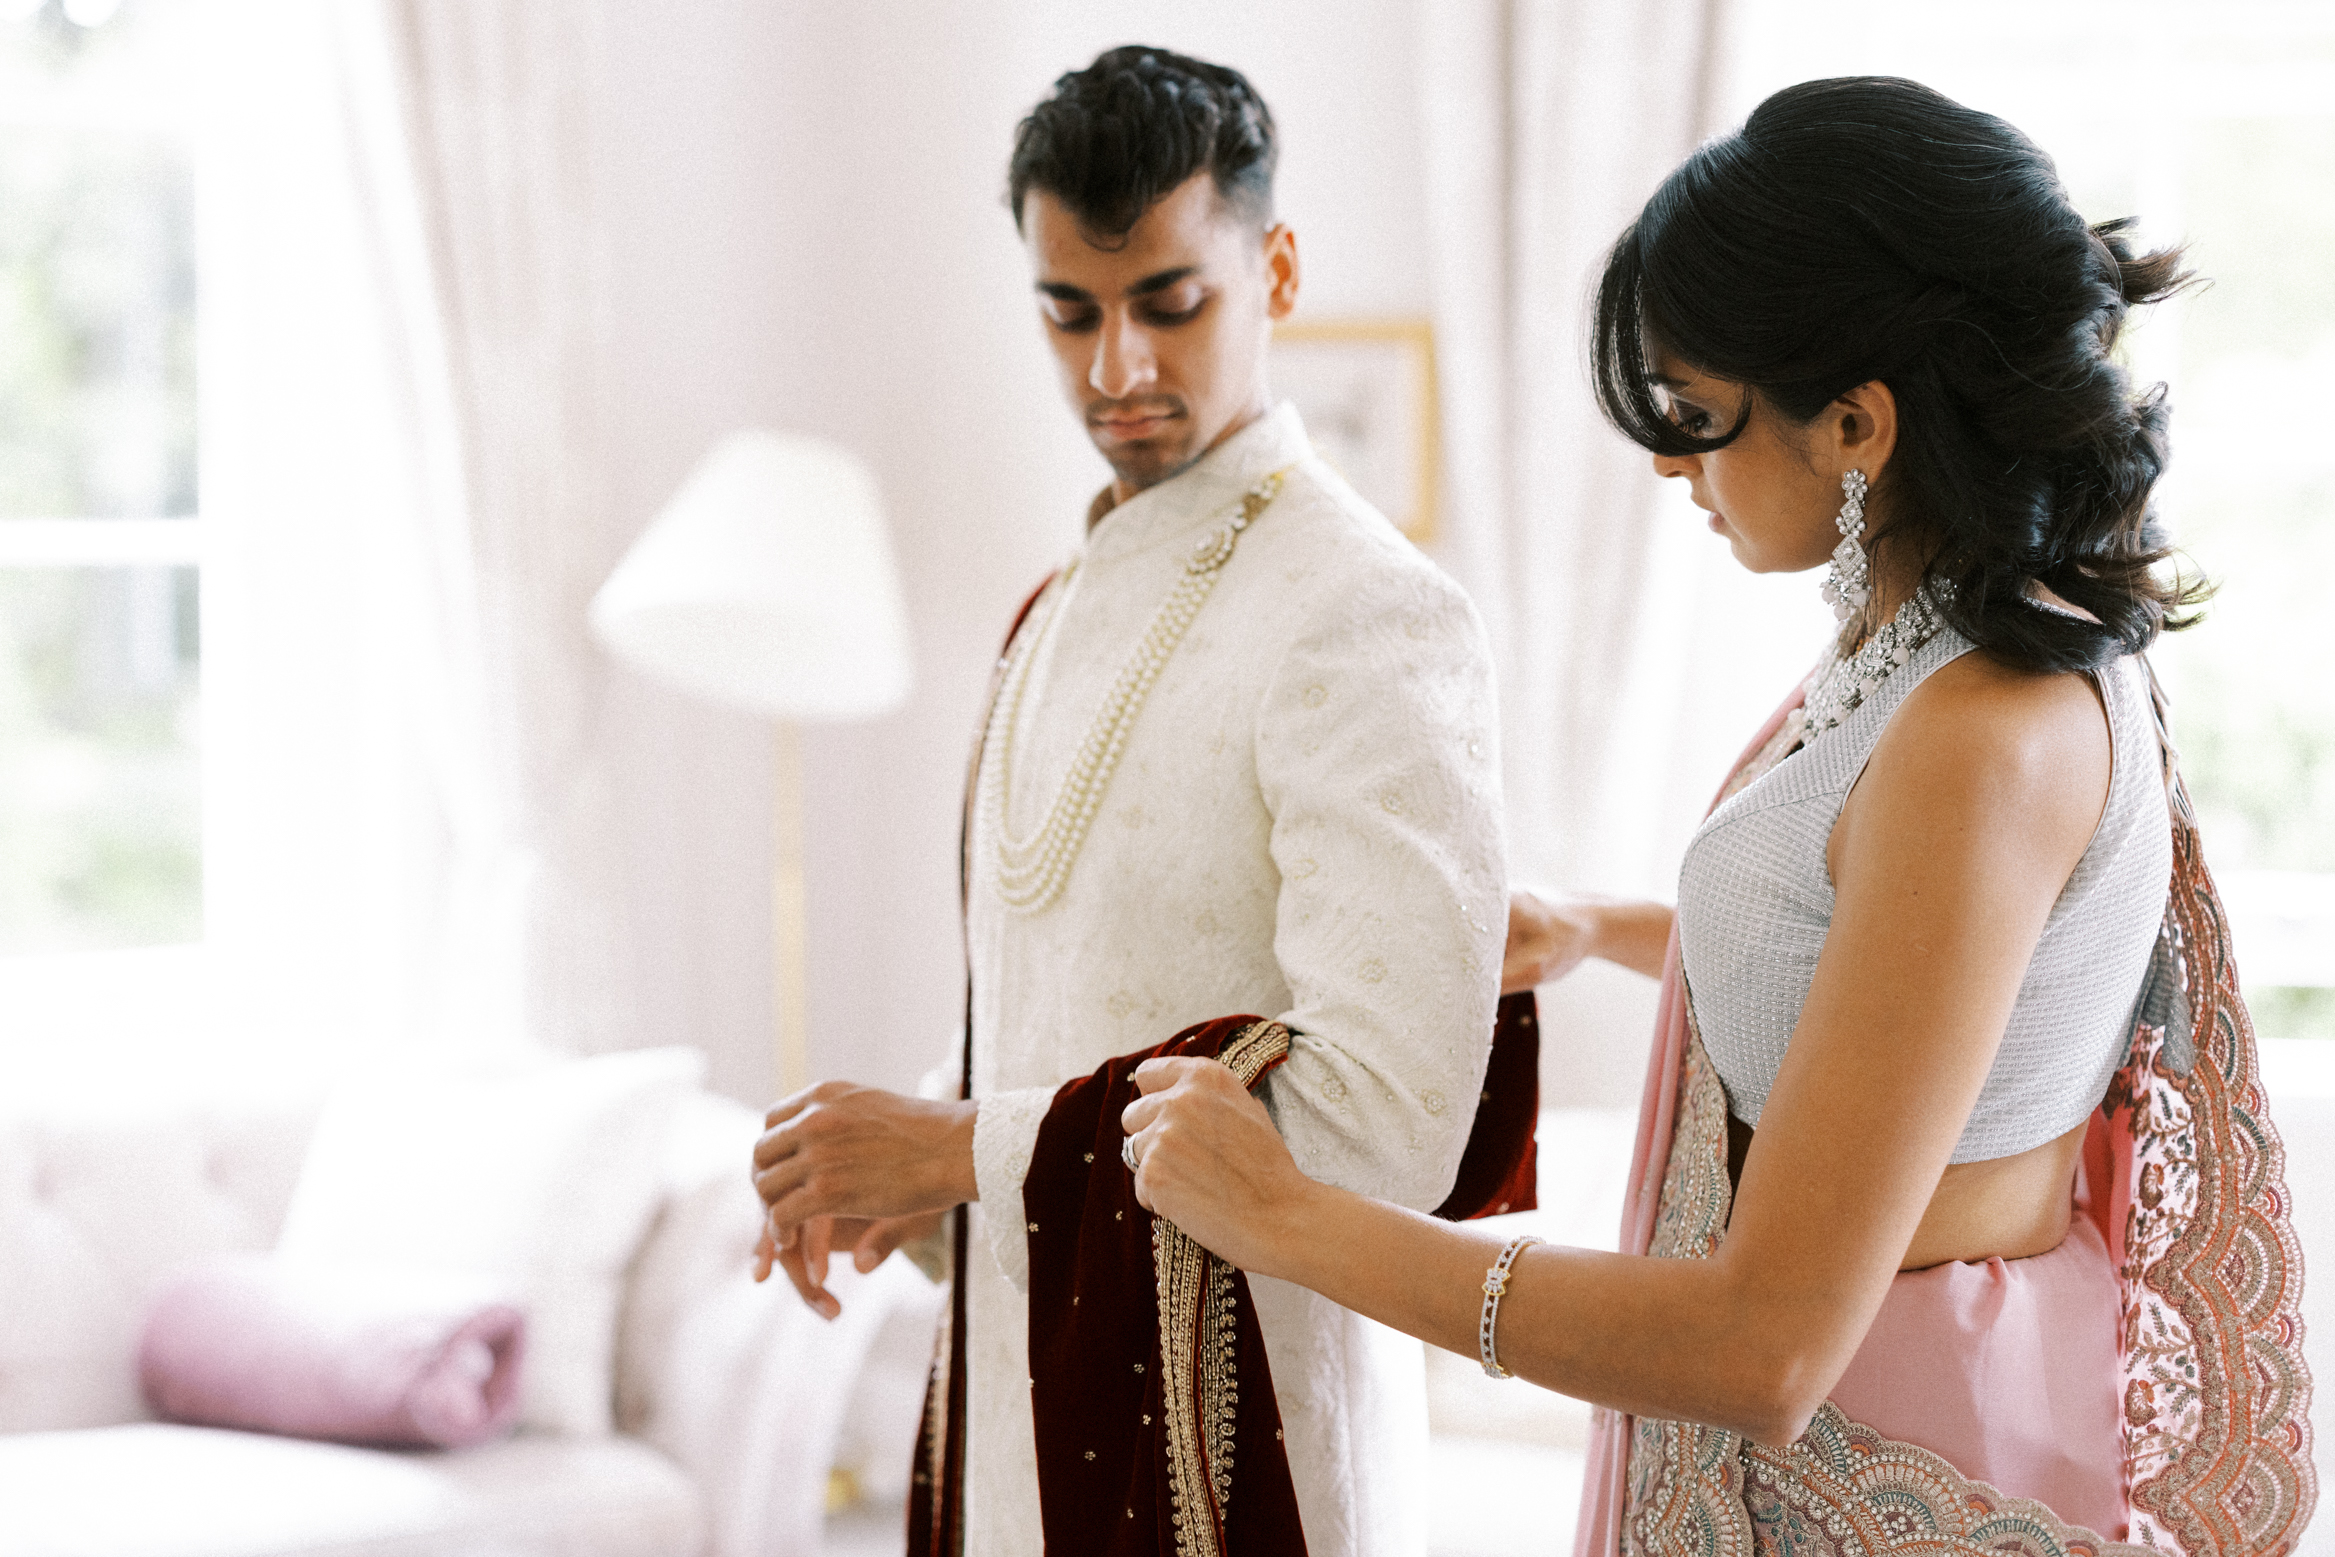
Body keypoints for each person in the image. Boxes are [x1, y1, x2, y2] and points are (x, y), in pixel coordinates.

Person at [1122, 76, 2316, 1557]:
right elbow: (1897, 981)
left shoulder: (1983, 731)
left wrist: (1297, 1220)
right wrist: (1597, 928)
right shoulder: (1945, 642)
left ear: (1858, 420)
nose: (1671, 464)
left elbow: (1766, 1346)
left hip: (1896, 1460)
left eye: (1696, 414)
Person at [746, 46, 1538, 1557]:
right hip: (1008, 1408)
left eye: (1171, 302)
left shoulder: (1370, 610)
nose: (1118, 367)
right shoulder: (1049, 608)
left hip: (1247, 1440)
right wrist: (885, 1161)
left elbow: (1388, 1123)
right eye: (1071, 310)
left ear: (1277, 269)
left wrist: (956, 1147)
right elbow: (1054, 1017)